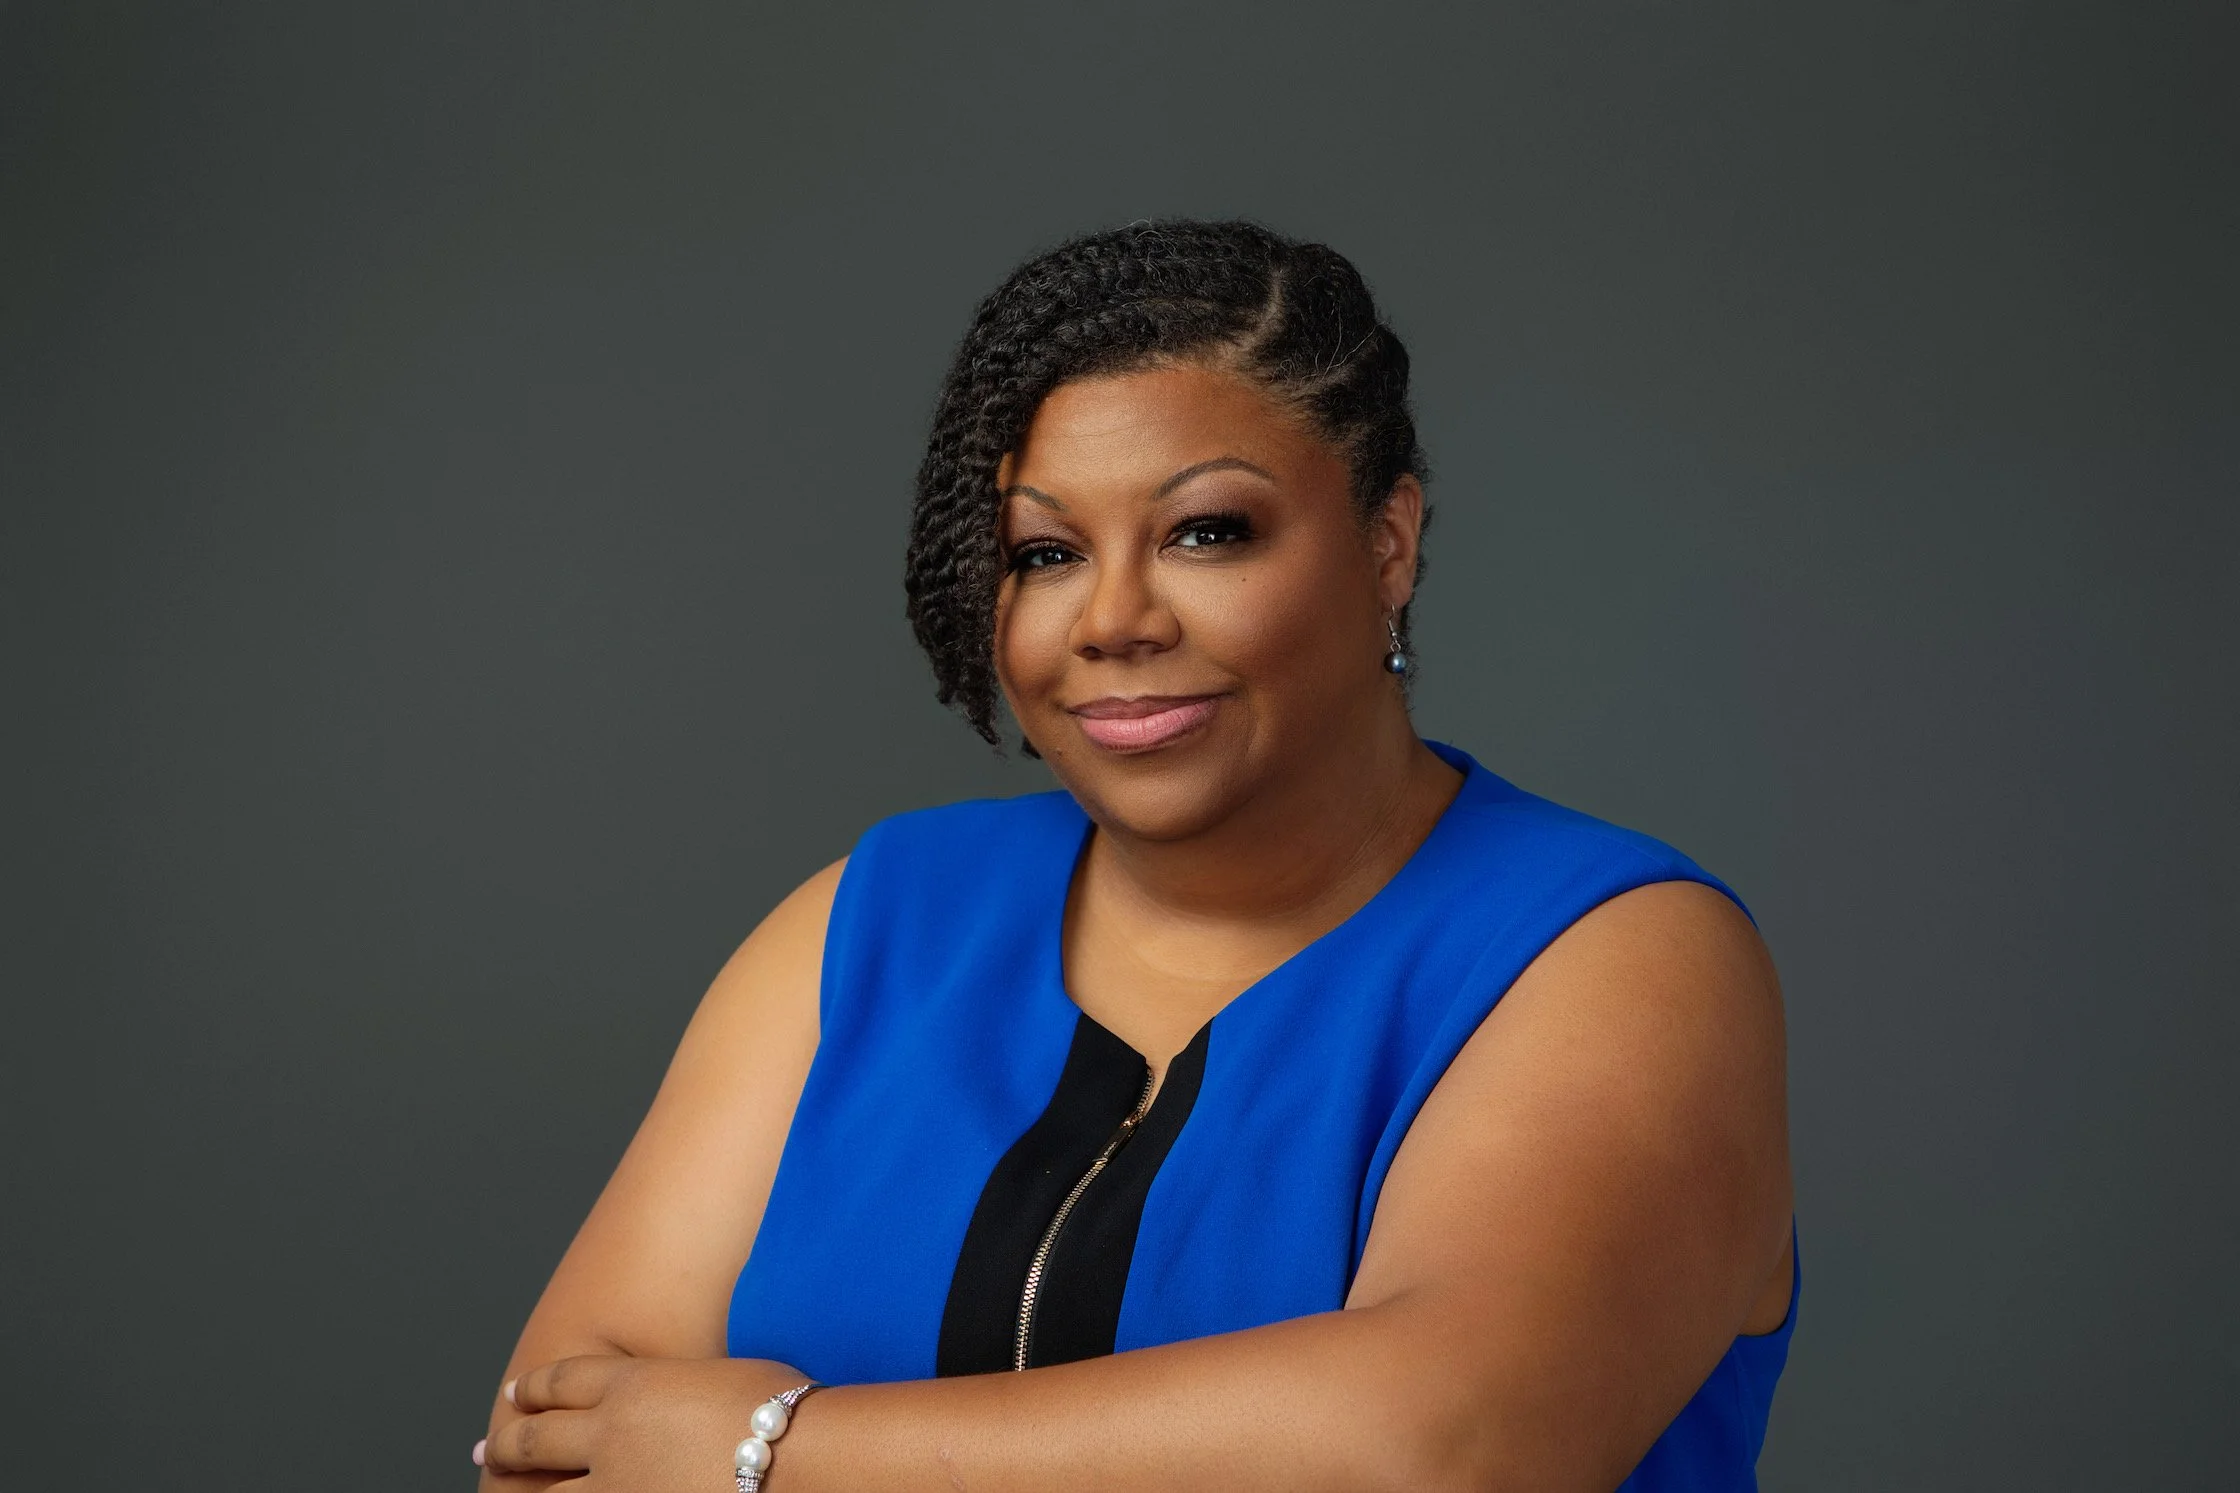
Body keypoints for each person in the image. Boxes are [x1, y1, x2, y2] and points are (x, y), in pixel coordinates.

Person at [474, 220, 1796, 1492]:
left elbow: (1447, 1447)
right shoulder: (872, 925)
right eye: (1045, 553)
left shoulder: (1616, 953)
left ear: (1387, 543)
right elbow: (551, 1448)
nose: (1111, 619)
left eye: (1206, 531)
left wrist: (767, 1452)